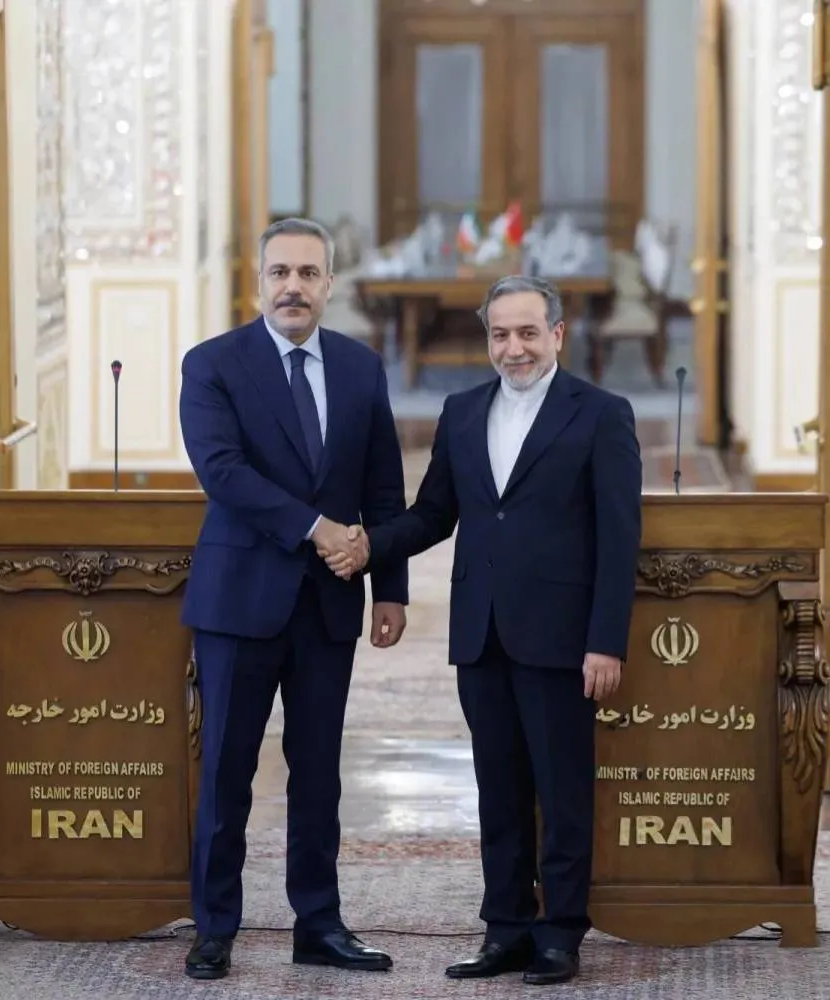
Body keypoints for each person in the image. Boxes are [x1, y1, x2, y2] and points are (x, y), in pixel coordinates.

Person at [326, 274, 642, 986]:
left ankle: (559, 933)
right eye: (501, 334)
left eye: (528, 333)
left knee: (561, 790)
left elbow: (620, 538)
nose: (514, 348)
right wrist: (368, 547)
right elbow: (434, 514)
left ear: (557, 334)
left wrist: (606, 640)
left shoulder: (601, 414)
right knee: (496, 789)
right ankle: (505, 929)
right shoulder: (462, 411)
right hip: (481, 634)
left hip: (562, 638)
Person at [177, 217, 410, 981]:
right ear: (259, 281)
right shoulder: (212, 364)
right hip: (239, 602)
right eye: (280, 272)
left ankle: (319, 924)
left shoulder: (360, 367)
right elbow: (224, 473)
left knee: (318, 773)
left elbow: (382, 482)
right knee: (227, 771)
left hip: (328, 604)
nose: (293, 287)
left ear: (330, 284)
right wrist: (319, 529)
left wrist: (390, 587)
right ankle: (215, 927)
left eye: (309, 274)